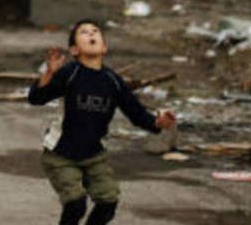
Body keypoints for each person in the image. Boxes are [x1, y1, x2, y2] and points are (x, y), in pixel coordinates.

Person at [28, 18, 176, 224]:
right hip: (60, 154)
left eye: (95, 31)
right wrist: (50, 73)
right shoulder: (69, 74)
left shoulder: (113, 81)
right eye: (84, 32)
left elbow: (136, 113)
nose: (90, 34)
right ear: (74, 50)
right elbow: (36, 98)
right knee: (75, 204)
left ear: (104, 46)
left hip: (94, 156)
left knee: (108, 203)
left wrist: (158, 123)